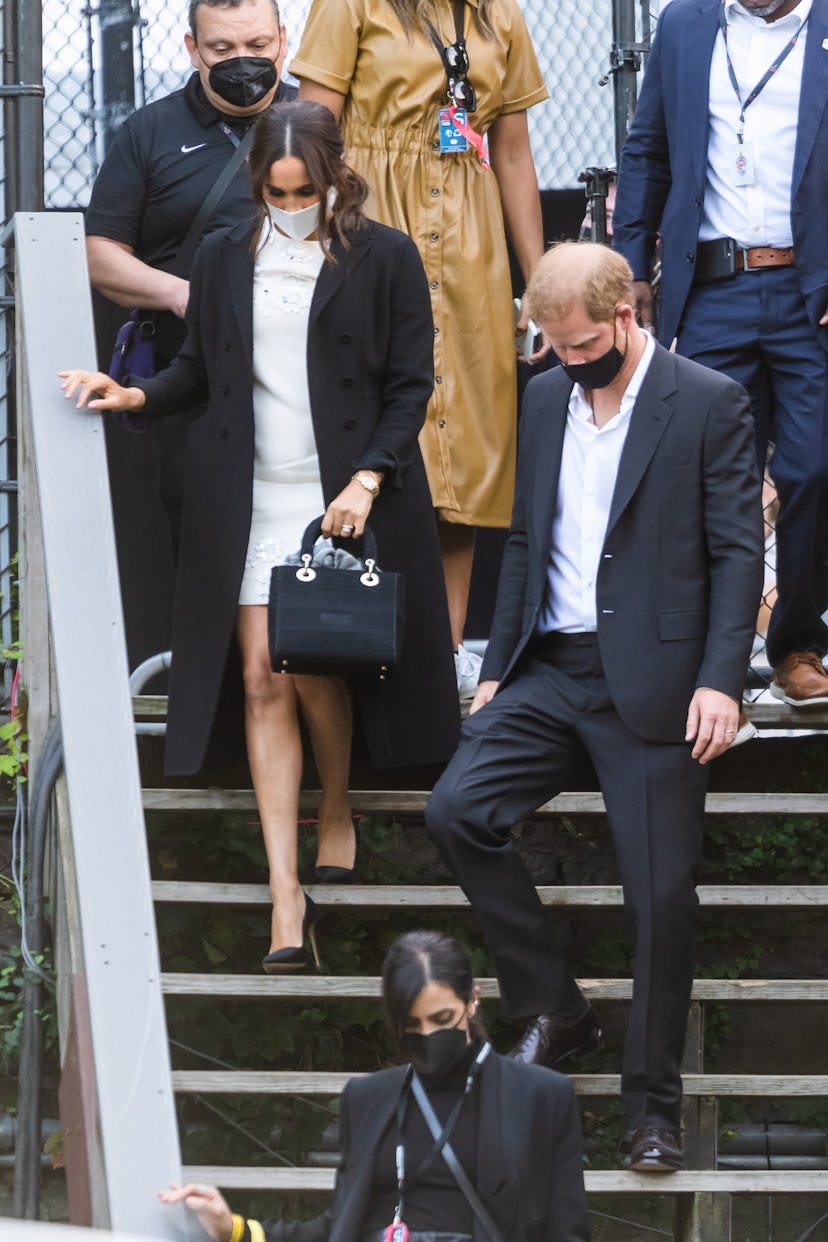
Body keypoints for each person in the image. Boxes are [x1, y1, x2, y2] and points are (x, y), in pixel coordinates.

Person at [62, 101, 459, 971]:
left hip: (338, 493)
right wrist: (135, 394)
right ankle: (286, 892)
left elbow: (410, 385)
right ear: (257, 185)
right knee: (259, 676)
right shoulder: (221, 254)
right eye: (276, 192)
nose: (291, 204)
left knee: (313, 665)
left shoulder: (385, 256)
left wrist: (367, 478)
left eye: (304, 190)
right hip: (248, 495)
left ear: (333, 176)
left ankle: (337, 803)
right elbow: (199, 371)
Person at [424, 242, 764, 1173]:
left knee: (660, 900)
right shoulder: (544, 400)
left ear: (625, 314)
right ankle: (557, 1007)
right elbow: (526, 539)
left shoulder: (707, 401)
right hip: (550, 670)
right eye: (554, 347)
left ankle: (650, 1111)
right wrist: (499, 666)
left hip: (659, 684)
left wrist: (722, 680)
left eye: (581, 345)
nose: (569, 361)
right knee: (456, 811)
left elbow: (738, 550)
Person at [289, 0, 550, 694]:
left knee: (465, 451)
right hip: (371, 224)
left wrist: (541, 281)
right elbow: (312, 137)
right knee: (378, 434)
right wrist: (315, 254)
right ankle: (361, 648)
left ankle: (447, 652)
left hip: (469, 243)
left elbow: (513, 151)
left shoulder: (499, 13)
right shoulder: (350, 6)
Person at [612, 0, 828, 705]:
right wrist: (631, 268)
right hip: (712, 289)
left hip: (811, 291)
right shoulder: (685, 24)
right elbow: (647, 150)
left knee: (813, 468)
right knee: (709, 478)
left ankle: (796, 644)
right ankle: (715, 663)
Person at [158, 930, 591, 1242]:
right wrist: (234, 1229)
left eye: (442, 1019)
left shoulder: (540, 1095)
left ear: (472, 1000)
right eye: (411, 1025)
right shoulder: (368, 1098)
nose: (428, 1035)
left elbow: (566, 1232)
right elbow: (339, 1226)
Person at [85, 0, 297, 557]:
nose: (243, 60)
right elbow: (100, 253)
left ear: (283, 39)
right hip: (193, 373)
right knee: (208, 548)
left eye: (257, 45)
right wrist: (183, 295)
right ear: (192, 48)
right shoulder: (149, 130)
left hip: (306, 368)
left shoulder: (317, 119)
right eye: (222, 48)